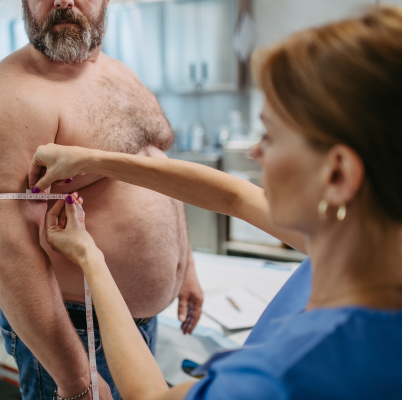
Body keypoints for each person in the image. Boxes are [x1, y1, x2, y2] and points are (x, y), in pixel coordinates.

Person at [29, 6, 402, 399]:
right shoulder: (367, 245)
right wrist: (92, 159)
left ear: (339, 174)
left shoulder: (280, 376)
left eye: (271, 136)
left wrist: (90, 259)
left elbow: (151, 397)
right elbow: (233, 195)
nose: (256, 152)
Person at [0, 0, 213, 398]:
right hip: (77, 332)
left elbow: (158, 169)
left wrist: (186, 269)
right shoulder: (12, 97)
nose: (63, 1)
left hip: (130, 321)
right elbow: (6, 249)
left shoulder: (121, 73)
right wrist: (74, 378)